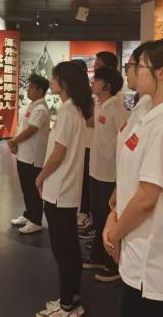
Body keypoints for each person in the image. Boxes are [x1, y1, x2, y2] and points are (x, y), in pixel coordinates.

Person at [103, 38, 163, 316]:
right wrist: (113, 213)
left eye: (140, 66)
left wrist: (114, 233)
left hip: (150, 258)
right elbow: (131, 178)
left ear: (161, 73)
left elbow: (147, 197)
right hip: (135, 248)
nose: (135, 72)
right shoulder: (149, 114)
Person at [35, 61, 93, 317]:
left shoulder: (69, 112)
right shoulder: (74, 110)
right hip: (64, 190)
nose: (51, 81)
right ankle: (72, 298)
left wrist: (40, 177)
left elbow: (58, 154)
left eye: (54, 77)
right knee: (68, 249)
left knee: (63, 251)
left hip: (59, 191)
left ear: (65, 83)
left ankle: (67, 305)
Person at [98, 42, 153, 284]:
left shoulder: (154, 116)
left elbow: (147, 193)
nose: (128, 72)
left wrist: (116, 226)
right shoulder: (139, 108)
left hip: (133, 213)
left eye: (131, 66)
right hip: (123, 197)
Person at [82, 67, 129, 282]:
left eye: (97, 80)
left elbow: (126, 143)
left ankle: (113, 263)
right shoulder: (101, 106)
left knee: (109, 220)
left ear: (107, 86)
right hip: (96, 171)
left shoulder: (117, 111)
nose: (93, 82)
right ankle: (99, 256)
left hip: (110, 175)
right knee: (98, 218)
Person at [8, 74, 50, 234]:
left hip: (33, 157)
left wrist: (13, 142)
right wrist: (14, 142)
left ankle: (36, 221)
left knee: (32, 190)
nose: (28, 90)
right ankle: (29, 215)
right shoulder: (31, 105)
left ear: (40, 90)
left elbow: (31, 130)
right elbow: (20, 126)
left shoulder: (40, 109)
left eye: (31, 87)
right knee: (26, 188)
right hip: (23, 155)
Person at [71, 59, 93, 233]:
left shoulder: (88, 96)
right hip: (80, 143)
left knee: (86, 179)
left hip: (90, 144)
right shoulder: (73, 98)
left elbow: (92, 120)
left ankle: (84, 212)